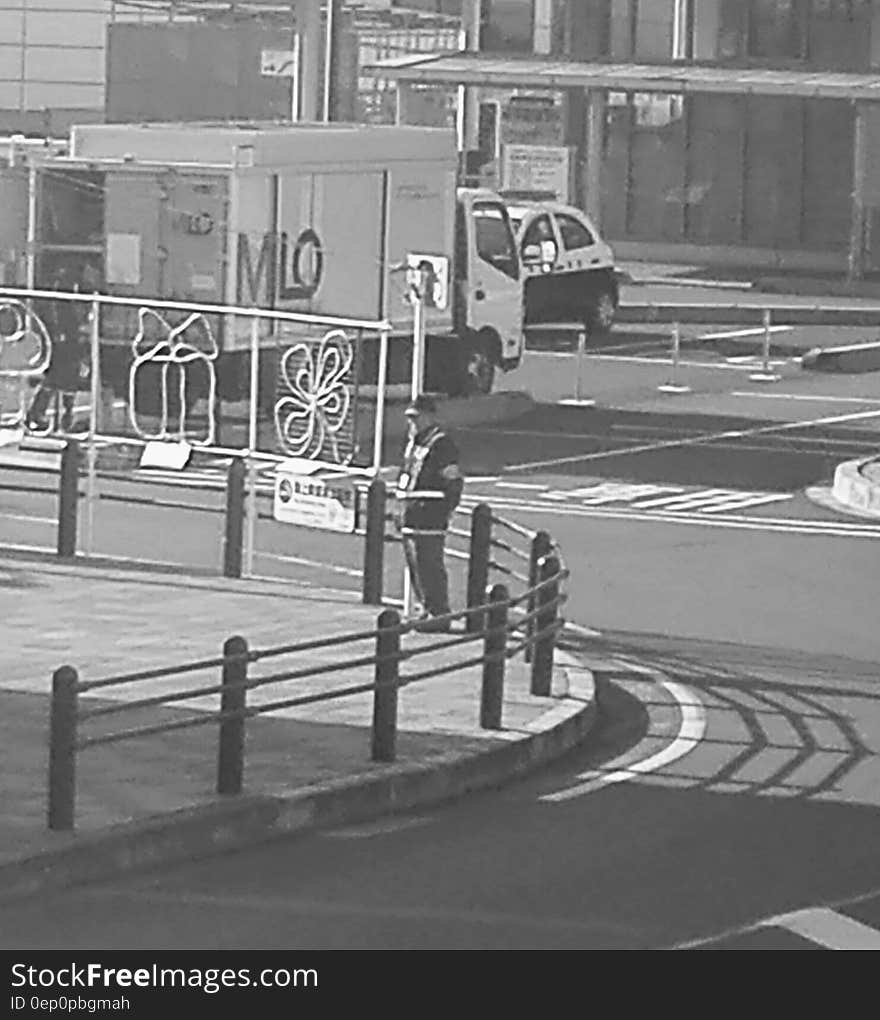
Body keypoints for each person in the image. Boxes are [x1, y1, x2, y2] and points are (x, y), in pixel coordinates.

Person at [395, 393, 464, 632]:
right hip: (412, 515)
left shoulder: (441, 444)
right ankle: (426, 608)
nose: (412, 423)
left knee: (429, 564)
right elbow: (407, 477)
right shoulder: (415, 442)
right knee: (416, 565)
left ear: (429, 417)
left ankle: (439, 612)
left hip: (429, 515)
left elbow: (453, 481)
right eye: (410, 418)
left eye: (416, 418)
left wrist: (443, 510)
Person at [26, 268, 86, 433]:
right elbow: (64, 320)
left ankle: (49, 415)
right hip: (64, 342)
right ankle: (44, 415)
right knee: (58, 380)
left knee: (59, 380)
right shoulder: (61, 303)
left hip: (65, 342)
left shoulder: (60, 302)